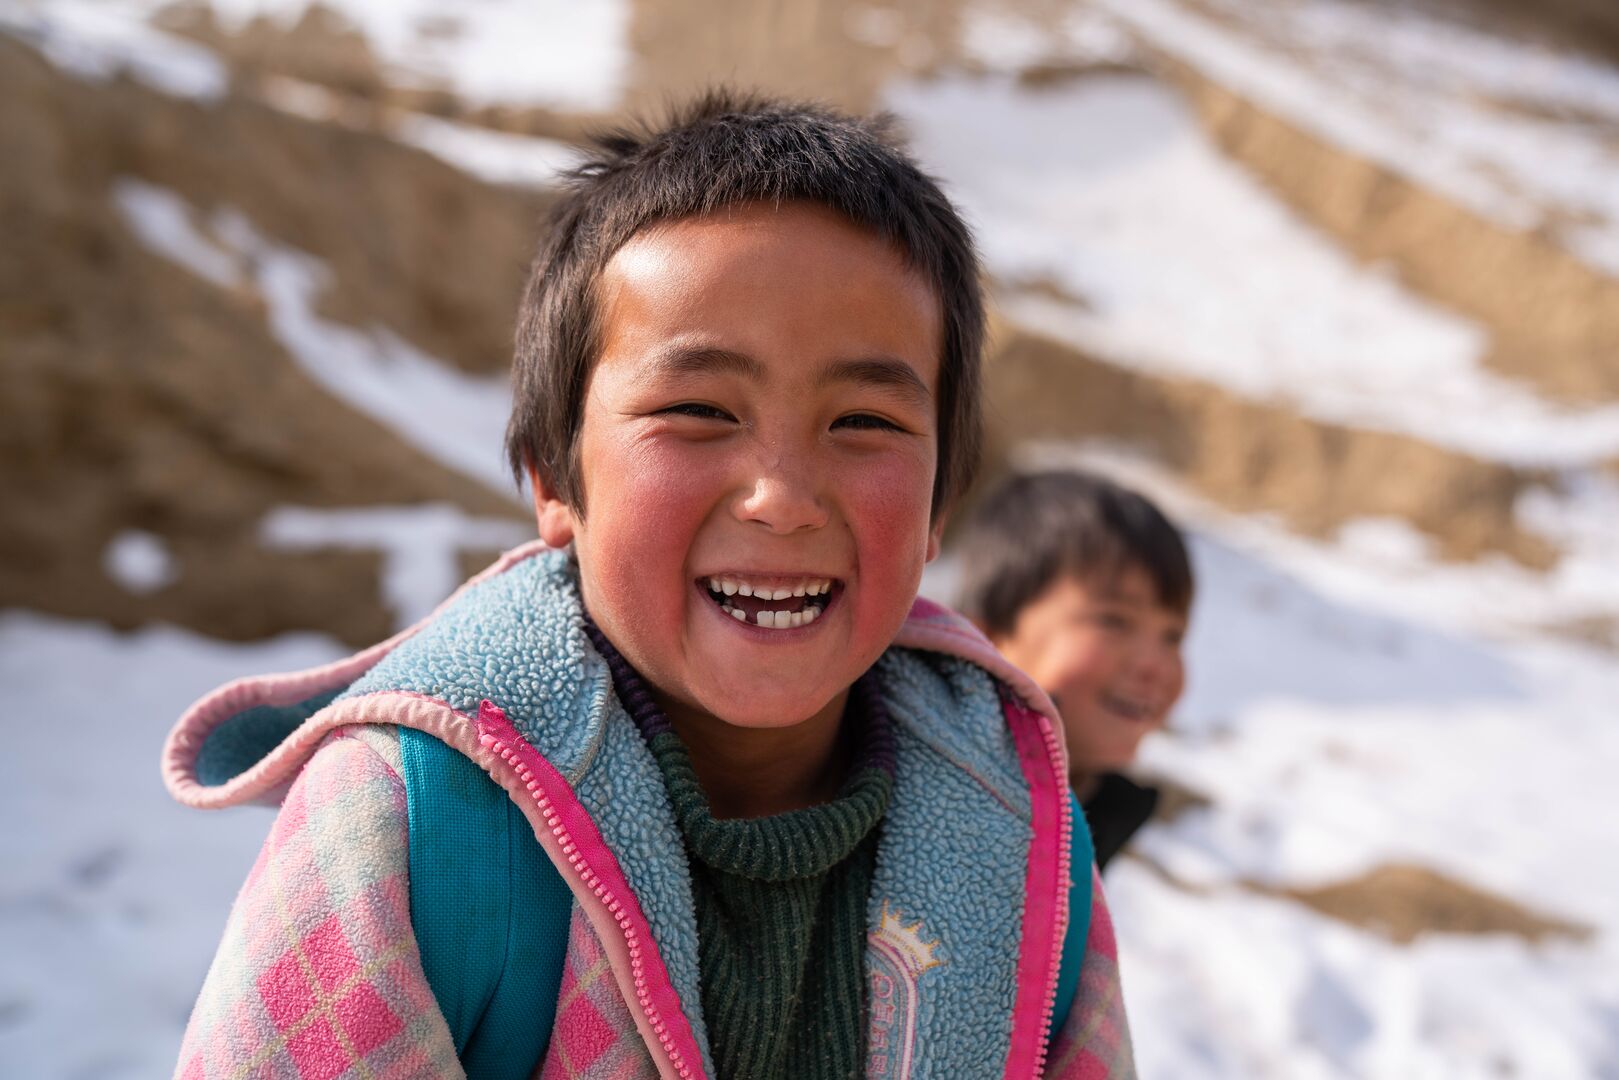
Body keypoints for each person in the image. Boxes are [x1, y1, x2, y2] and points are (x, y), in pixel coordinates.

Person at [161, 92, 1134, 1079]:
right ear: (553, 478)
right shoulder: (412, 823)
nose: (782, 498)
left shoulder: (1018, 833)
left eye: (864, 424)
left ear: (939, 506)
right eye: (699, 408)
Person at [955, 470, 1193, 872]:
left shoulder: (1095, 812)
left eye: (1172, 636)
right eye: (1114, 621)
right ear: (989, 639)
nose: (1156, 665)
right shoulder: (929, 794)